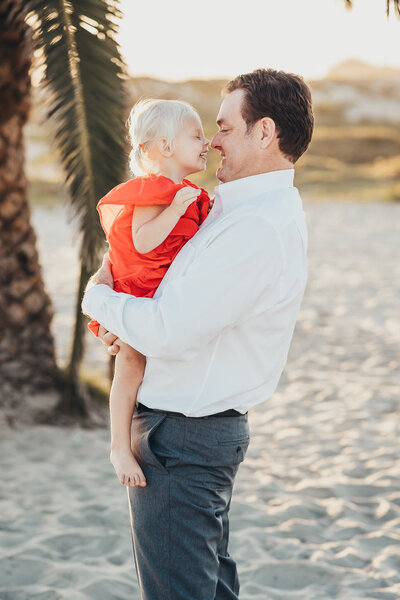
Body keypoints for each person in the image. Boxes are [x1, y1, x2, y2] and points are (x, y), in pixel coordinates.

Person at [82, 68, 314, 600]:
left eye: (225, 127)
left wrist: (98, 300)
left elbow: (168, 332)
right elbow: (145, 262)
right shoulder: (232, 209)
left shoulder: (257, 225)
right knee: (207, 589)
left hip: (183, 439)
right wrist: (120, 313)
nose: (212, 141)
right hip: (187, 435)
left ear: (265, 132)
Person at [86, 98, 211, 488]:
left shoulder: (184, 191)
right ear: (165, 146)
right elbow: (142, 241)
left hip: (160, 293)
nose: (206, 142)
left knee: (145, 366)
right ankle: (119, 447)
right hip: (139, 291)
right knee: (131, 365)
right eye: (196, 135)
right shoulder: (155, 189)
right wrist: (174, 208)